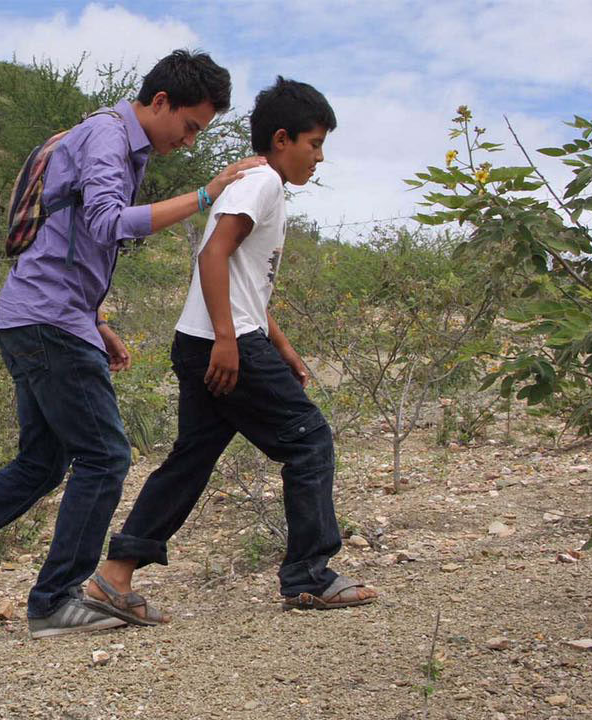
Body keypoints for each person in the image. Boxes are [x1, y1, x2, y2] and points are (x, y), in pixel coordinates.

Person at [0, 50, 266, 639]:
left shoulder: (109, 139)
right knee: (106, 454)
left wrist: (97, 319)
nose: (189, 142)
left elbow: (73, 239)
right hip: (48, 321)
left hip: (43, 315)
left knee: (41, 462)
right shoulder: (109, 139)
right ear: (160, 102)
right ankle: (56, 600)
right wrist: (205, 197)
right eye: (189, 126)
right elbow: (109, 224)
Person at [85, 77, 379, 626]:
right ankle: (308, 576)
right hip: (225, 343)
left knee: (191, 459)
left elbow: (245, 280)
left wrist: (281, 344)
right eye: (314, 144)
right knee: (309, 440)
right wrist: (228, 339)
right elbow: (212, 257)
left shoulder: (258, 185)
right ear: (283, 138)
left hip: (210, 339)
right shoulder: (261, 183)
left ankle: (113, 577)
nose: (319, 158)